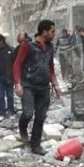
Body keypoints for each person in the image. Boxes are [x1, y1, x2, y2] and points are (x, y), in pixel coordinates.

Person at [13, 19, 63, 155]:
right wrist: (18, 84)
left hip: (44, 87)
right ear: (44, 32)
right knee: (28, 113)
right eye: (52, 31)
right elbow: (17, 65)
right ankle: (22, 127)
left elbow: (50, 67)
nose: (54, 34)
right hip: (28, 85)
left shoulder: (50, 47)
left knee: (40, 117)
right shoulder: (28, 45)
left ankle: (35, 145)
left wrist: (56, 86)